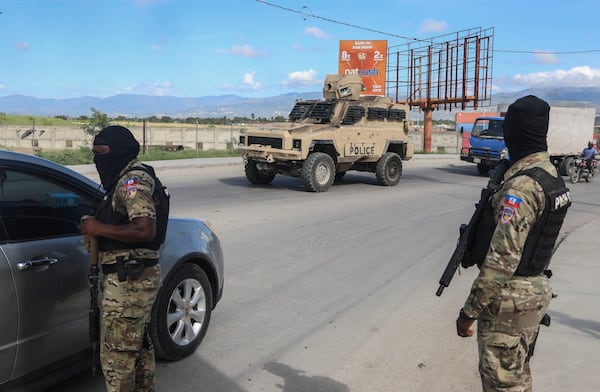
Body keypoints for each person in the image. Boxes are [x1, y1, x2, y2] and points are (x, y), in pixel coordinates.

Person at [456, 95, 571, 391]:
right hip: (532, 295)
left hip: (508, 303)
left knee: (503, 385)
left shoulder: (521, 187)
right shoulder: (550, 176)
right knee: (517, 378)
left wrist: (468, 313)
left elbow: (501, 262)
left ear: (515, 132)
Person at [80, 125, 162, 392]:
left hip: (129, 283)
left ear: (119, 152)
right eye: (93, 153)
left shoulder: (132, 181)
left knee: (117, 359)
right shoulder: (122, 179)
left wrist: (97, 229)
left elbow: (144, 228)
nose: (96, 160)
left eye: (101, 153)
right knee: (137, 350)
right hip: (132, 281)